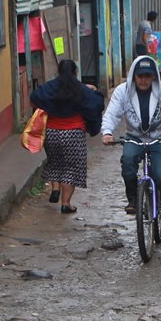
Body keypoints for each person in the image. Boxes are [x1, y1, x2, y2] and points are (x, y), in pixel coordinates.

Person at [100, 55, 161, 223]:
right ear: (134, 76)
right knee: (128, 162)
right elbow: (112, 113)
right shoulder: (122, 91)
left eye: (147, 76)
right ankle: (133, 199)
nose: (144, 80)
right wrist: (107, 132)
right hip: (135, 138)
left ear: (154, 76)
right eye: (140, 76)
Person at [29, 59, 104, 215]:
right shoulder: (80, 89)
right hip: (73, 134)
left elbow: (35, 98)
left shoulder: (50, 87)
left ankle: (55, 188)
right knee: (71, 169)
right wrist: (93, 90)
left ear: (59, 71)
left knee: (55, 162)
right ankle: (66, 203)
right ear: (75, 72)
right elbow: (96, 103)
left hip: (52, 133)